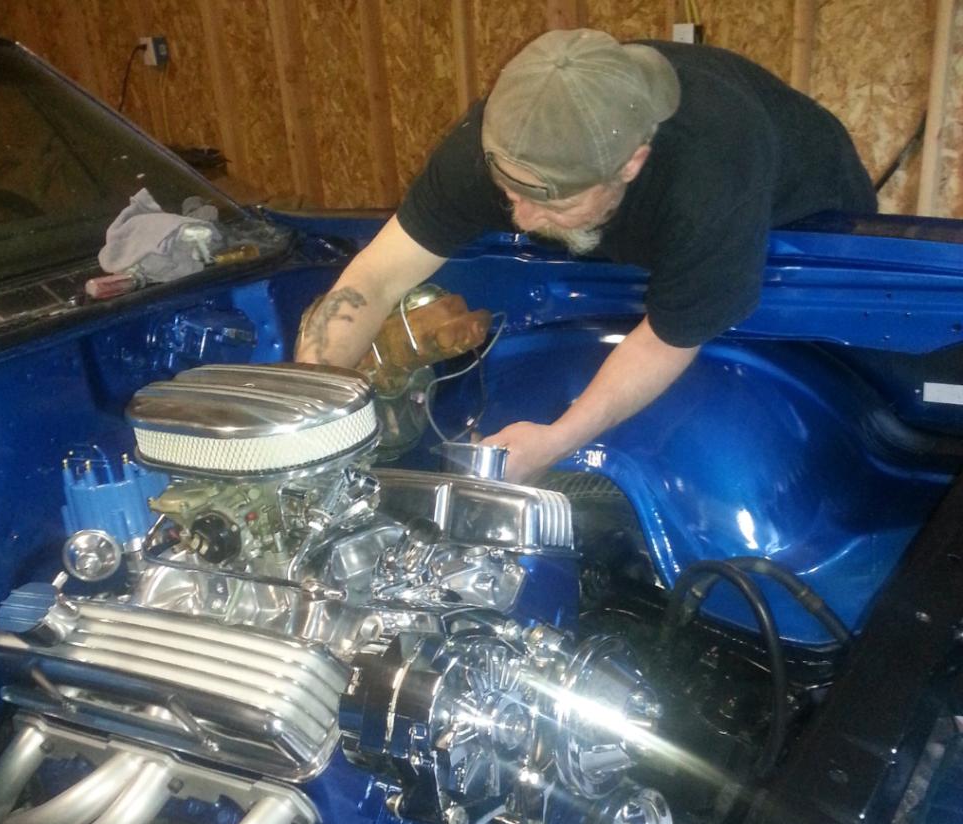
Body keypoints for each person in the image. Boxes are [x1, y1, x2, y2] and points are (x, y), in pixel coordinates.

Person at [295, 29, 876, 483]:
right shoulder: (501, 143)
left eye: (547, 201)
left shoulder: (712, 172)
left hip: (807, 218)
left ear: (631, 163)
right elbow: (376, 275)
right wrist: (300, 412)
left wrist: (557, 438)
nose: (520, 219)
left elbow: (670, 337)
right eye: (509, 192)